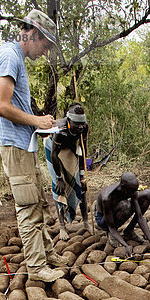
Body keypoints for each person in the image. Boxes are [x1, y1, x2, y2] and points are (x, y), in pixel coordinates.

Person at [0, 9, 67, 283]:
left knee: (37, 200)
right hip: (15, 146)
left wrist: (39, 126)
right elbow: (1, 106)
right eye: (45, 45)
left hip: (25, 144)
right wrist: (36, 119)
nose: (45, 52)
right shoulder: (10, 56)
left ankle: (47, 253)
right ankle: (37, 268)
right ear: (33, 34)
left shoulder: (16, 58)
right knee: (28, 207)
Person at [44, 102, 91, 241]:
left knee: (81, 187)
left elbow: (83, 149)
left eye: (82, 123)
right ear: (69, 120)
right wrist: (58, 177)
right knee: (59, 188)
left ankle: (86, 222)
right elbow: (54, 154)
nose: (80, 126)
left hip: (70, 148)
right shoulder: (60, 129)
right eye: (76, 124)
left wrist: (82, 176)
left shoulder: (84, 127)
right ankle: (62, 226)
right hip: (53, 149)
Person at [95, 172, 150, 257]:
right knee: (125, 205)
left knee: (147, 194)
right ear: (123, 187)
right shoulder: (107, 197)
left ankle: (129, 230)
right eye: (131, 192)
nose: (133, 194)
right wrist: (126, 246)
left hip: (119, 208)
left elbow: (140, 217)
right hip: (104, 220)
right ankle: (111, 235)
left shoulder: (131, 190)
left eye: (134, 191)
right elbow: (111, 227)